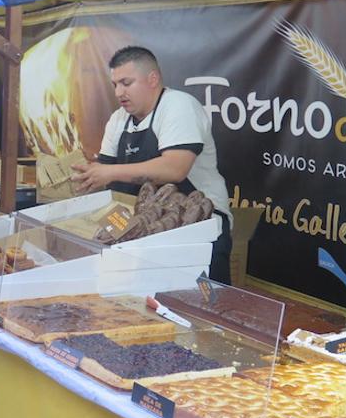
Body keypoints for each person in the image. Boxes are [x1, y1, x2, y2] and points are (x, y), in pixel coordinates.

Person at [70, 46, 233, 284]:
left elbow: (175, 169)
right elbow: (107, 178)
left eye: (126, 82)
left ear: (153, 79)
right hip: (144, 226)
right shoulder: (118, 120)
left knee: (200, 309)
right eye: (115, 84)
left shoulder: (178, 106)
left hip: (197, 223)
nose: (119, 92)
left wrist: (108, 172)